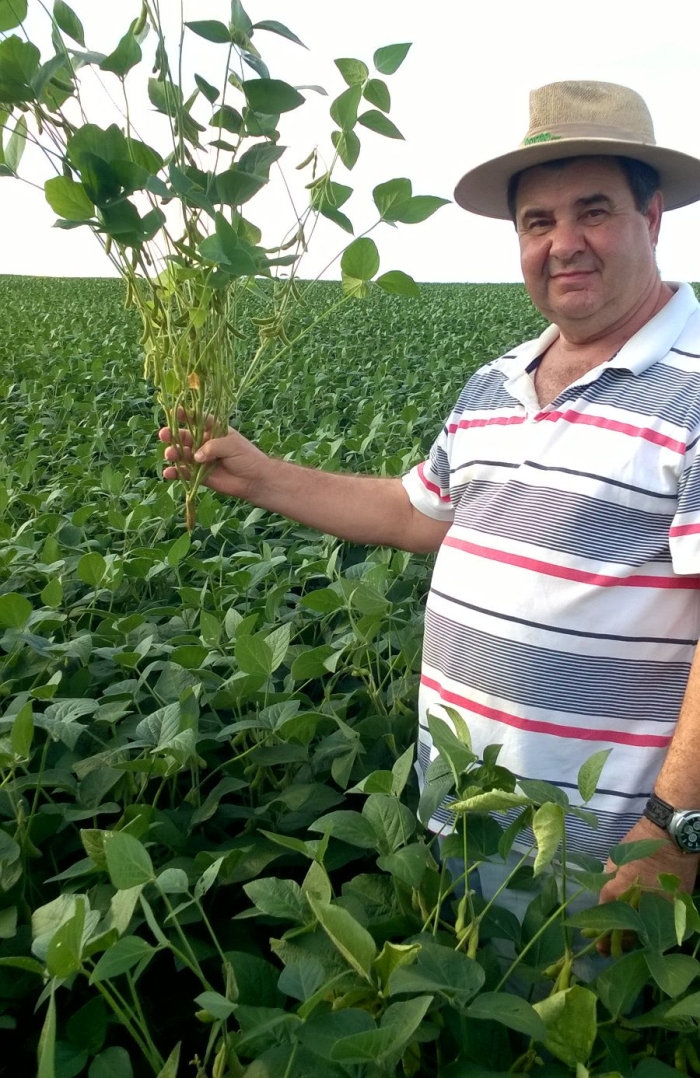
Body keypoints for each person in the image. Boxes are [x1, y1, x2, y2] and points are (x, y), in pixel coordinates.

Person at [160, 80, 700, 910]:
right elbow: (419, 513)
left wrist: (672, 829)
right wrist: (258, 476)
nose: (564, 244)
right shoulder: (495, 382)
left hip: (605, 868)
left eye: (593, 211)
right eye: (538, 222)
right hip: (464, 830)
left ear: (651, 216)